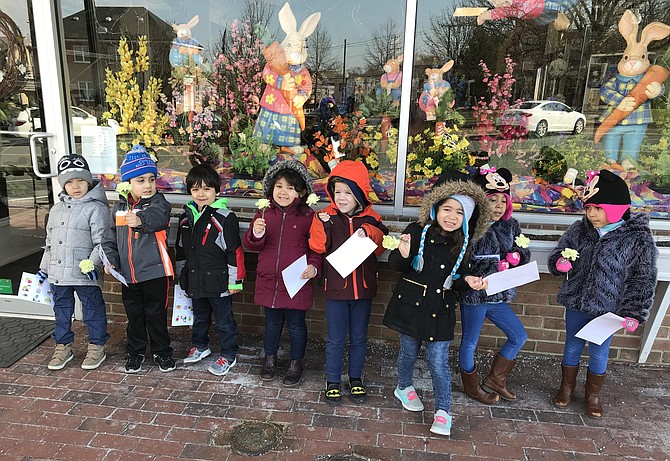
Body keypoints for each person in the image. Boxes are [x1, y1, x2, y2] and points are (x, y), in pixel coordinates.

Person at [384, 177, 491, 436]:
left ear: (466, 219)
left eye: (459, 213)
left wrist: (469, 281)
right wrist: (403, 253)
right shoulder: (417, 231)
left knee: (438, 361)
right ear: (435, 209)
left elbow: (456, 278)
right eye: (447, 209)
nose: (451, 217)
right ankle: (404, 386)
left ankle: (443, 410)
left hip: (439, 311)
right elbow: (396, 265)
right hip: (411, 305)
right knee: (408, 352)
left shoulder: (463, 245)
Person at [548, 169, 657, 418]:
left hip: (608, 310)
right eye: (588, 208)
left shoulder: (637, 238)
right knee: (572, 346)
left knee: (599, 350)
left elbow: (642, 278)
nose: (591, 214)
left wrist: (634, 313)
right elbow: (560, 253)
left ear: (616, 208)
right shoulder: (579, 230)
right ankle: (566, 388)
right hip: (576, 301)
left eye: (597, 208)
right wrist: (560, 263)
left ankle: (593, 395)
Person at [309, 160, 388, 405]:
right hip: (336, 289)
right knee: (335, 337)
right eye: (337, 192)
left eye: (347, 192)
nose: (341, 197)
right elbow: (317, 246)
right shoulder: (326, 217)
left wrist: (371, 232)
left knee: (359, 337)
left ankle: (355, 378)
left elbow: (380, 246)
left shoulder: (372, 218)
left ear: (359, 193)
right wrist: (320, 224)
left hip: (363, 289)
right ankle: (332, 380)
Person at [243, 160, 321, 386]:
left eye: (290, 188)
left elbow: (317, 248)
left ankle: (297, 362)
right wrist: (256, 234)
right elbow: (252, 245)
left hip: (296, 280)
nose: (283, 192)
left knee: (296, 325)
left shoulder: (308, 216)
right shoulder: (264, 213)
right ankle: (270, 359)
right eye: (279, 186)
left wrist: (314, 266)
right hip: (270, 280)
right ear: (271, 189)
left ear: (301, 192)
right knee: (272, 323)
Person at [458, 167, 530, 405]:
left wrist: (516, 257)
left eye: (503, 200)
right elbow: (460, 262)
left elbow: (522, 251)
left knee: (519, 336)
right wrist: (475, 276)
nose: (498, 205)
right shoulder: (469, 226)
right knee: (470, 342)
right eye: (492, 200)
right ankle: (471, 386)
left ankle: (495, 380)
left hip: (498, 296)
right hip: (476, 297)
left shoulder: (510, 226)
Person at [102, 145, 175, 373]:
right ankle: (135, 352)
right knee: (134, 316)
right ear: (128, 183)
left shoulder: (158, 203)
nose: (147, 185)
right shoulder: (119, 208)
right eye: (140, 180)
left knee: (156, 315)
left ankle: (162, 352)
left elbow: (158, 218)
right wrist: (112, 260)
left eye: (151, 179)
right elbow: (109, 237)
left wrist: (140, 220)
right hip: (128, 275)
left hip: (155, 272)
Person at [38, 154, 111, 370]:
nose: (75, 186)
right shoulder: (56, 209)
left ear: (88, 181)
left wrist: (93, 264)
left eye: (80, 180)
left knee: (92, 310)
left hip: (84, 273)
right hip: (58, 273)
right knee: (61, 310)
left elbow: (102, 242)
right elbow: (50, 243)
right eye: (69, 182)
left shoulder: (96, 209)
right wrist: (44, 268)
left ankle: (97, 346)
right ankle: (63, 346)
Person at [175, 163, 246, 376]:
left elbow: (234, 251)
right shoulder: (186, 217)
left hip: (219, 282)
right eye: (196, 189)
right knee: (200, 317)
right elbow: (180, 249)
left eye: (206, 188)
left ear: (217, 190)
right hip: (195, 278)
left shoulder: (224, 216)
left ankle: (229, 354)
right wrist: (182, 276)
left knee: (224, 321)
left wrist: (235, 281)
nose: (201, 194)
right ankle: (201, 345)